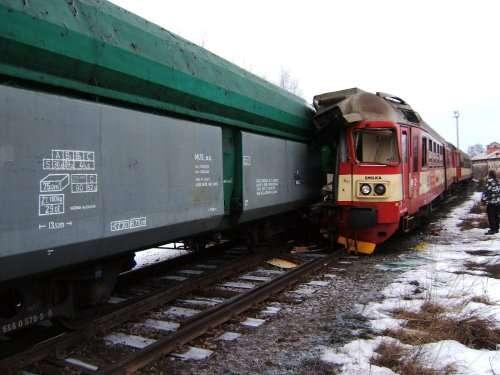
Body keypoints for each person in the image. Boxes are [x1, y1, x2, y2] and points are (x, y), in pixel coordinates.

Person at [482, 170, 500, 235]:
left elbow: (486, 192)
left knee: (491, 216)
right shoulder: (498, 181)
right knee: (496, 216)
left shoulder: (489, 182)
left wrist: (483, 200)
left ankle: (492, 229)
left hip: (491, 203)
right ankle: (497, 228)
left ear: (489, 175)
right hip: (497, 202)